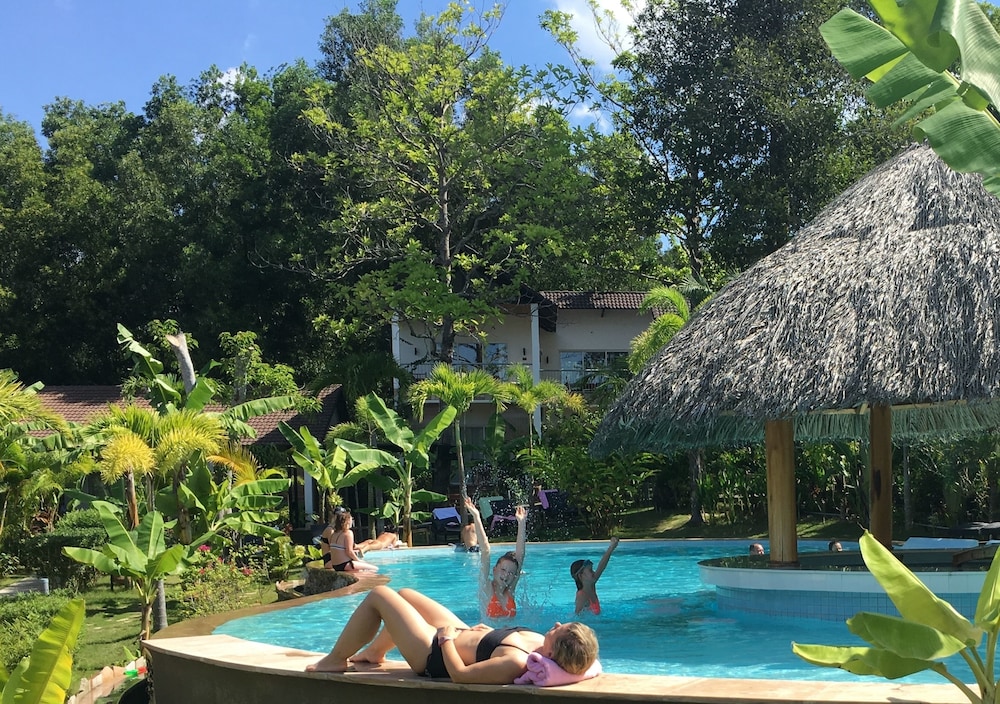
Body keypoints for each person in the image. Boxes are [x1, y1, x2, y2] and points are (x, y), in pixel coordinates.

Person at [305, 585, 599, 683]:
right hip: (460, 634)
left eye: (560, 630)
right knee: (406, 595)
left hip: (433, 654)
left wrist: (445, 639)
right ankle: (375, 652)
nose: (557, 623)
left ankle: (336, 658)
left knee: (379, 594)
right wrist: (488, 632)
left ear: (552, 653)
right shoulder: (539, 643)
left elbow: (460, 675)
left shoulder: (516, 662)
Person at [465, 496, 526, 618]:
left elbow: (520, 556)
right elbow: (485, 551)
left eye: (511, 573)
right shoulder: (486, 587)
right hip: (489, 630)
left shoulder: (510, 591)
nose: (506, 575)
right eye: (503, 570)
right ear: (494, 570)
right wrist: (476, 516)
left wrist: (521, 523)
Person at [570, 536, 620, 615]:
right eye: (590, 570)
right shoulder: (582, 595)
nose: (594, 572)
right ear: (581, 576)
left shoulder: (591, 585)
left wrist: (611, 548)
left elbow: (601, 566)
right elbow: (577, 616)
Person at [320, 508, 379, 572]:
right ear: (347, 521)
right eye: (351, 519)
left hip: (336, 565)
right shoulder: (347, 533)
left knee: (361, 569)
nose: (352, 521)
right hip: (342, 564)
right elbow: (349, 552)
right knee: (375, 568)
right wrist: (358, 560)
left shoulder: (335, 533)